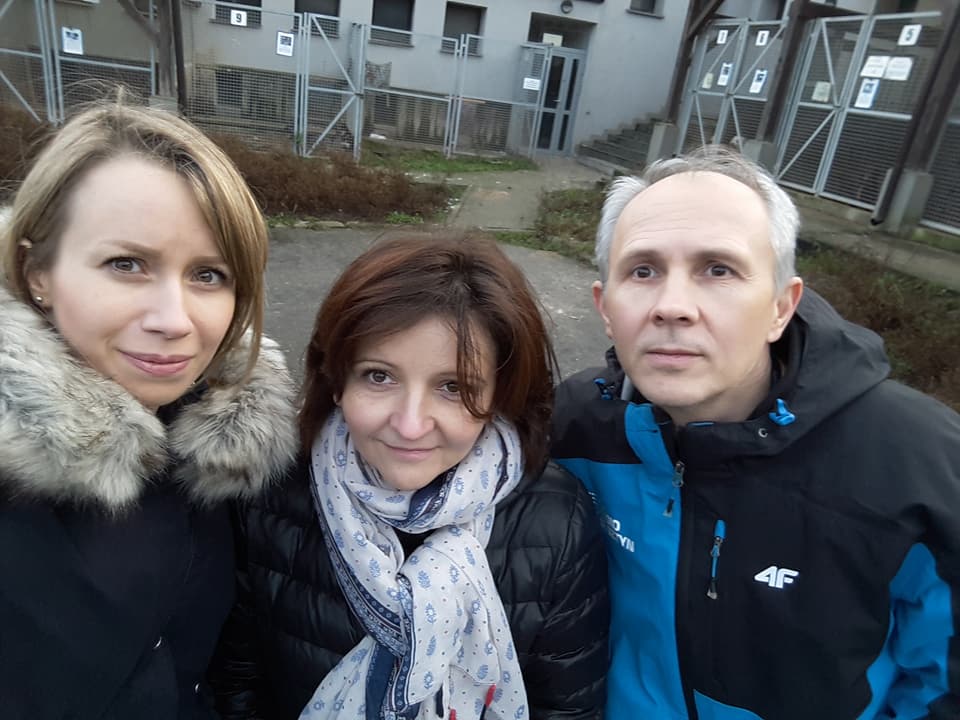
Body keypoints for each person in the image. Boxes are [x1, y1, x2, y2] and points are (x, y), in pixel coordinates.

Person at [551, 147, 960, 719]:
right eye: (642, 270)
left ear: (780, 307)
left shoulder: (917, 462)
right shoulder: (572, 425)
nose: (673, 306)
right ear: (604, 307)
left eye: (718, 269)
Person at [210, 233, 610, 720]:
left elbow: (566, 708)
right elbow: (239, 680)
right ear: (336, 380)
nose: (410, 425)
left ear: (499, 395)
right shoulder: (273, 490)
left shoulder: (556, 520)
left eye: (453, 386)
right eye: (379, 376)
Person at [0, 101, 298, 719]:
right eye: (127, 264)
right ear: (37, 273)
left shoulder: (217, 448)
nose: (174, 320)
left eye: (209, 275)